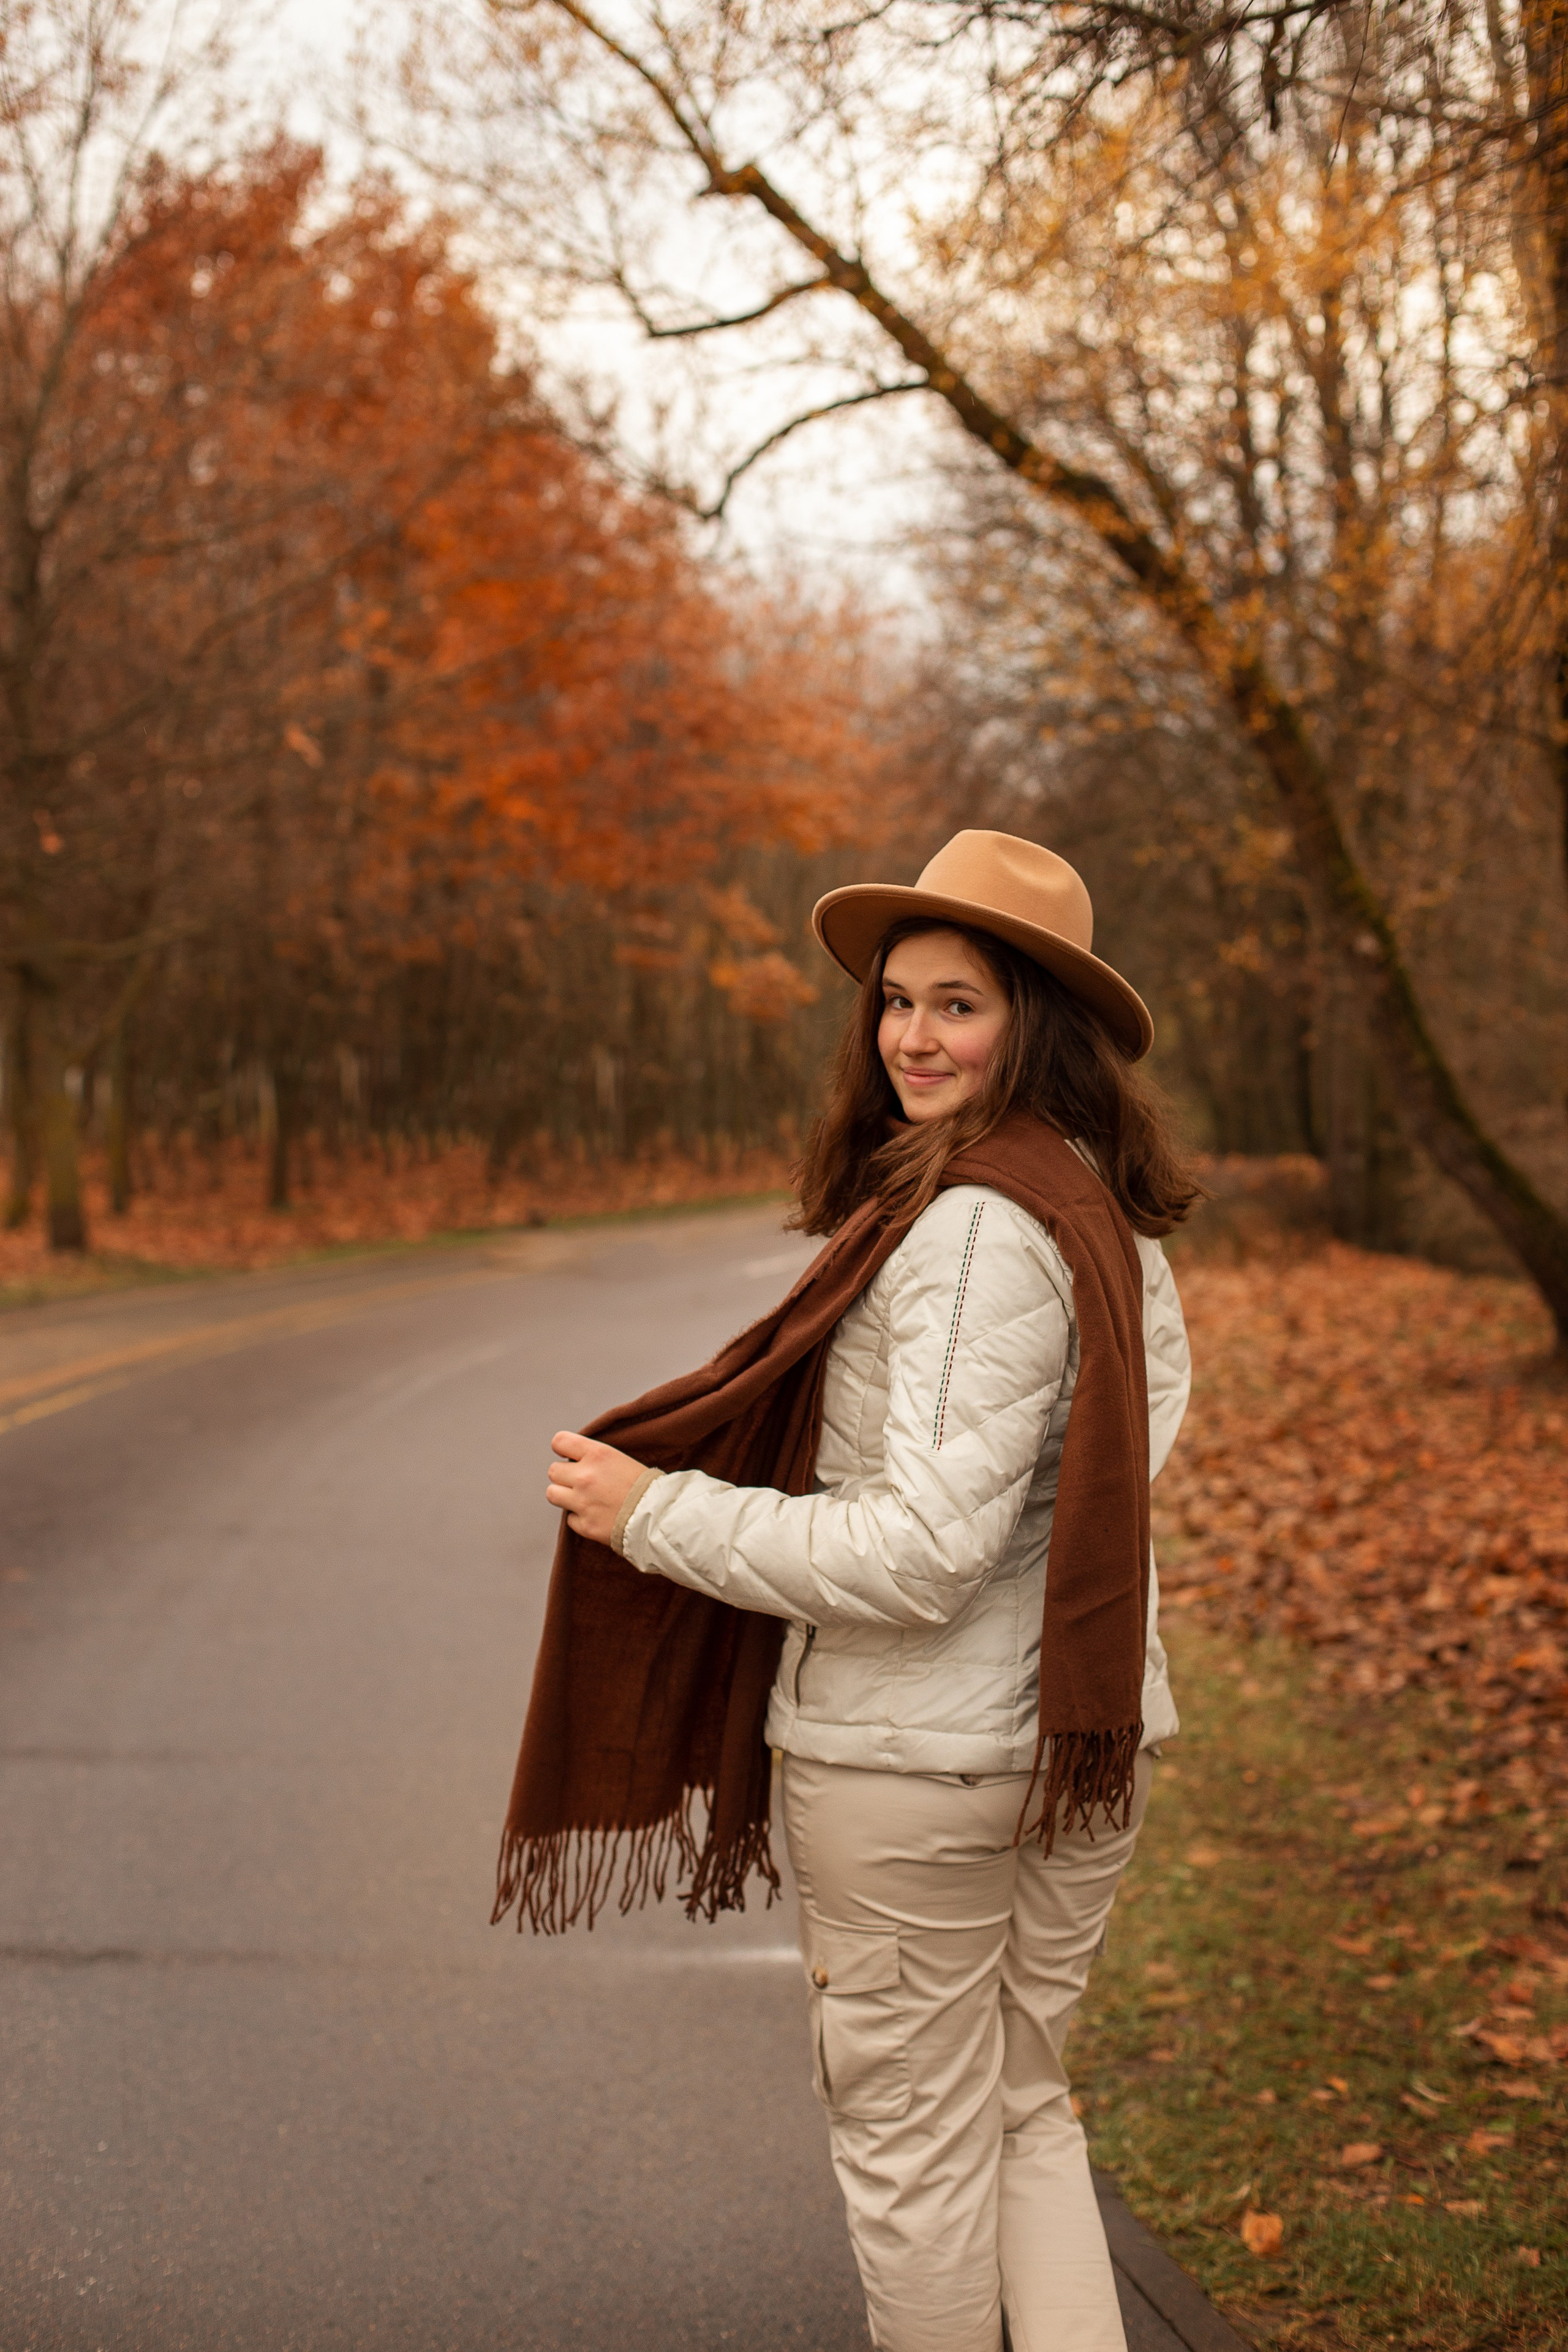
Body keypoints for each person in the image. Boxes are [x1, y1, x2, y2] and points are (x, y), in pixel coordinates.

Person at [537, 831, 1197, 2352]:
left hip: (917, 1771)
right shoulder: (1099, 1211)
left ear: (1033, 1020)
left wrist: (656, 1513)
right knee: (1022, 2117)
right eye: (897, 1000)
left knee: (912, 2161)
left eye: (958, 1003)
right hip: (1075, 1750)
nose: (911, 1035)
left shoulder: (972, 1227)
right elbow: (1112, 1474)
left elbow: (917, 1553)